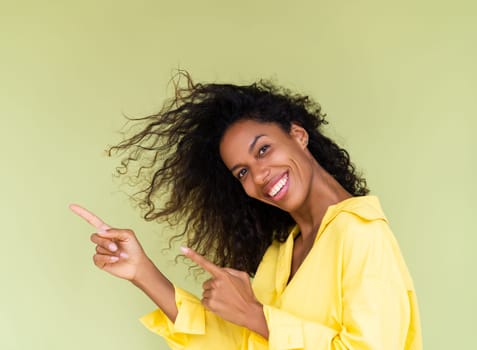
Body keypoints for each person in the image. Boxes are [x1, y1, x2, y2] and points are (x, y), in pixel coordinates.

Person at [70, 71, 422, 349]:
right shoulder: (281, 256)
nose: (259, 175)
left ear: (298, 135)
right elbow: (241, 345)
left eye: (264, 149)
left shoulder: (361, 232)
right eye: (242, 172)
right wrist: (142, 272)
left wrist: (256, 315)